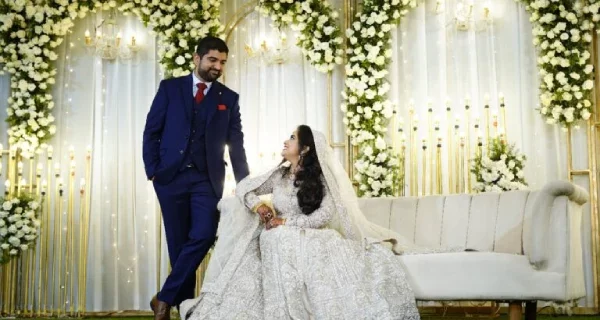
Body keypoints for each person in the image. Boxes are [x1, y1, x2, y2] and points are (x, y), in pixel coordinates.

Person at [180, 125, 440, 320]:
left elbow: (324, 215)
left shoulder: (321, 179)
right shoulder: (279, 176)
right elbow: (246, 188)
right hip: (279, 238)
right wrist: (259, 206)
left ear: (304, 149)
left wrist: (286, 222)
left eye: (292, 138)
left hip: (312, 236)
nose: (286, 140)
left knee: (279, 236)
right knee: (272, 237)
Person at [142, 36, 250, 320]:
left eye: (223, 62)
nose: (218, 66)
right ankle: (184, 309)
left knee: (203, 235)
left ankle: (163, 298)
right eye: (213, 60)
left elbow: (236, 145)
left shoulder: (228, 98)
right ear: (197, 58)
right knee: (179, 246)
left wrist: (246, 186)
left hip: (206, 179)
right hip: (170, 178)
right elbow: (151, 131)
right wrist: (152, 169)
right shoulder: (170, 89)